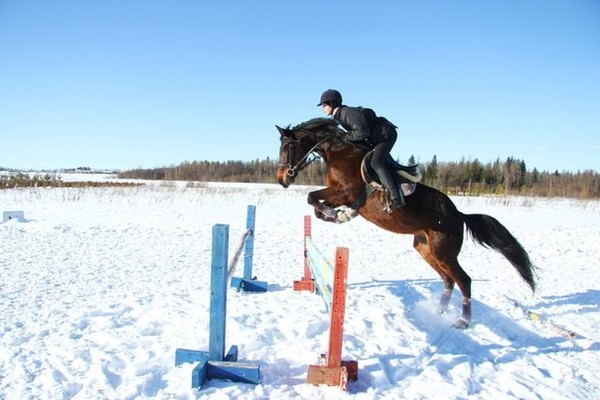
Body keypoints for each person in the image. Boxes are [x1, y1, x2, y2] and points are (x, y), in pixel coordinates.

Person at [317, 89, 405, 209]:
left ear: (332, 103)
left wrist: (345, 137)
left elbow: (363, 132)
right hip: (375, 137)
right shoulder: (339, 116)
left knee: (376, 162)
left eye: (324, 105)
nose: (323, 108)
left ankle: (396, 198)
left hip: (386, 135)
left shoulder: (347, 113)